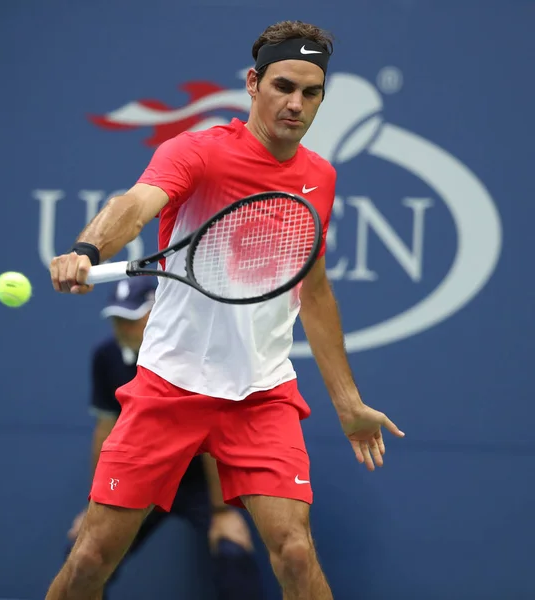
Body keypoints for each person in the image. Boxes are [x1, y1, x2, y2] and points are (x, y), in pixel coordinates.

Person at [47, 19, 406, 600]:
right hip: (169, 387)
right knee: (90, 557)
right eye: (283, 86)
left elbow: (311, 289)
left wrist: (348, 404)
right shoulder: (197, 152)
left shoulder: (319, 177)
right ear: (253, 83)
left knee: (294, 552)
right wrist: (88, 249)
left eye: (311, 93)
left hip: (261, 394)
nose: (296, 103)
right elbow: (136, 203)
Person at [66, 276, 264, 600]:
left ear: (157, 312)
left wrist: (222, 511)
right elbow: (106, 432)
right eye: (117, 318)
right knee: (83, 553)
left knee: (232, 551)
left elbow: (213, 439)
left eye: (131, 319)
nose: (121, 327)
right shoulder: (107, 356)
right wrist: (95, 505)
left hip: (203, 477)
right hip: (144, 473)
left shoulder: (198, 355)